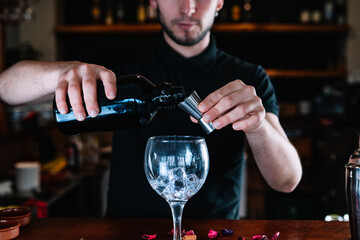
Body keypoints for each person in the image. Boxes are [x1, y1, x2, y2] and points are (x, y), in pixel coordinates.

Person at [0, 0, 302, 219]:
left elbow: (287, 180)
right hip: (124, 231)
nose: (188, 8)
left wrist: (258, 125)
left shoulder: (248, 78)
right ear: (153, 1)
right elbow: (6, 88)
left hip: (214, 231)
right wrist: (62, 73)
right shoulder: (120, 64)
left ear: (220, 2)